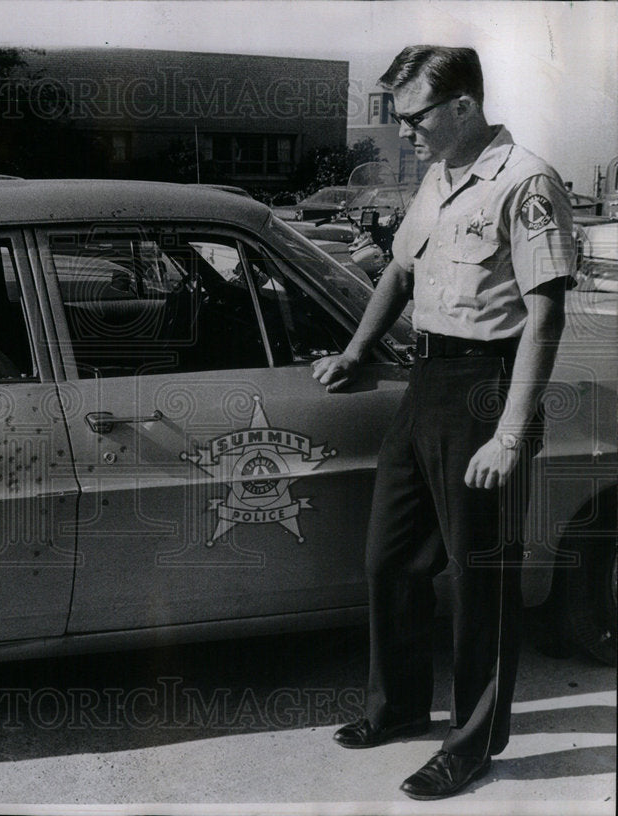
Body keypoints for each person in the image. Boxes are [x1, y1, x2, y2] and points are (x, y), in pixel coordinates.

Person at [313, 46, 575, 800]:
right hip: (426, 380)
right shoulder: (438, 176)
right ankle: (396, 709)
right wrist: (358, 352)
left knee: (480, 579)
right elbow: (398, 269)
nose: (406, 132)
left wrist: (511, 433)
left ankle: (472, 743)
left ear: (462, 105)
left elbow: (545, 313)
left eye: (416, 115)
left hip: (487, 388)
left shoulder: (525, 181)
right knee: (390, 558)